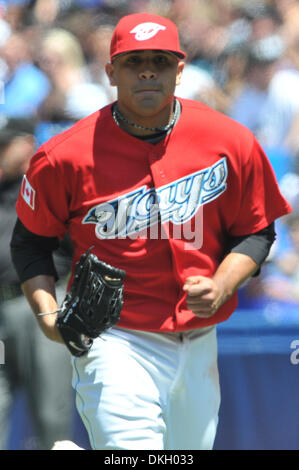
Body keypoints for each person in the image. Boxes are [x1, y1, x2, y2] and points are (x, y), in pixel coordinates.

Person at [10, 12, 292, 451]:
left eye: (159, 61)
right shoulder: (64, 155)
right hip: (115, 339)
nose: (147, 70)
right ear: (110, 72)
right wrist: (48, 315)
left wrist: (221, 284)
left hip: (199, 338)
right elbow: (30, 242)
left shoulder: (229, 140)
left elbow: (257, 231)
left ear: (179, 70)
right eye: (133, 61)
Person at [0, 117, 74, 449]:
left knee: (51, 416)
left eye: (4, 146)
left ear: (27, 144)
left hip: (42, 303)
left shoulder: (46, 184)